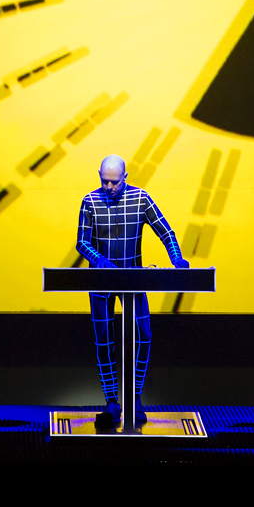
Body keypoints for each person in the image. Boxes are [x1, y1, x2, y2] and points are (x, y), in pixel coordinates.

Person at [75, 155, 188, 426]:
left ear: (125, 177)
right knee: (104, 340)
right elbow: (81, 242)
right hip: (101, 282)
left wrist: (176, 257)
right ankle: (112, 401)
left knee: (144, 334)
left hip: (134, 279)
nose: (109, 187)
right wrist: (99, 260)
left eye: (114, 182)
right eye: (105, 181)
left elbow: (166, 231)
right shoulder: (90, 201)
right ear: (99, 175)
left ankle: (134, 397)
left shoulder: (140, 198)